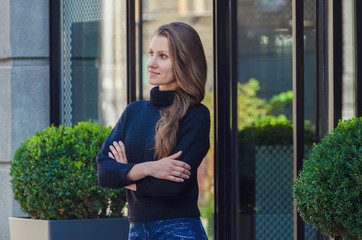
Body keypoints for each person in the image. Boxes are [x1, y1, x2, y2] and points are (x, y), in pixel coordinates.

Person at [96, 22, 210, 240]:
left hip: (179, 231)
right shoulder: (133, 112)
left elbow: (169, 187)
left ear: (184, 63)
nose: (151, 63)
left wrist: (124, 172)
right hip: (137, 231)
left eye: (162, 56)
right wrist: (150, 167)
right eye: (150, 54)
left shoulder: (196, 115)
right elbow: (104, 173)